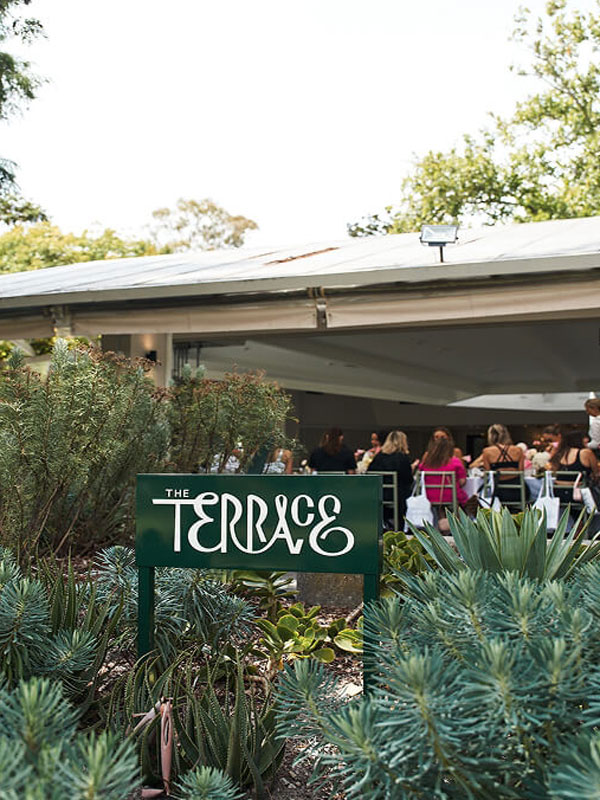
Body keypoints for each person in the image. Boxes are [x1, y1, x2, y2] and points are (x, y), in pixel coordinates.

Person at [368, 430, 413, 528]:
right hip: (397, 497)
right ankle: (399, 528)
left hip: (378, 494)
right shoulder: (403, 458)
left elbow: (370, 473)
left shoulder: (379, 457)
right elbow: (408, 479)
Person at [546, 428, 599, 503]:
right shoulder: (585, 452)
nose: (587, 440)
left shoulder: (559, 454)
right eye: (584, 437)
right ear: (577, 439)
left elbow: (553, 474)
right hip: (580, 494)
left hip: (559, 493)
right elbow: (596, 473)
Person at [419, 434, 468, 509]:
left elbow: (420, 477)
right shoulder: (455, 462)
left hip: (427, 496)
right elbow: (462, 481)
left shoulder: (425, 463)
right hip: (449, 496)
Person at [481, 424, 524, 505]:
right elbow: (521, 472)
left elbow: (487, 474)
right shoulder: (518, 450)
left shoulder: (487, 451)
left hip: (498, 491)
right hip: (518, 490)